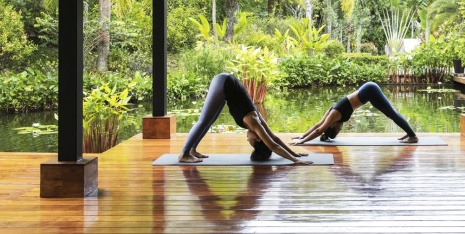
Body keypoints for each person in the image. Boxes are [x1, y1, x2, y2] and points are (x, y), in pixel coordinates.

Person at [179, 73, 312, 165]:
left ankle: (192, 150)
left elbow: (274, 138)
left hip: (226, 85)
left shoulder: (257, 120)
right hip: (224, 83)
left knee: (209, 121)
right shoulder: (254, 122)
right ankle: (184, 154)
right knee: (203, 121)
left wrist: (294, 153)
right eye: (251, 142)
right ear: (258, 138)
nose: (248, 139)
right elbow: (274, 145)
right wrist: (295, 160)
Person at [290, 81, 418, 145]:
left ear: (333, 126)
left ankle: (413, 136)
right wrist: (302, 136)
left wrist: (302, 141)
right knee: (390, 114)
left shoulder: (334, 115)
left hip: (370, 90)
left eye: (338, 130)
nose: (341, 129)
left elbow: (319, 130)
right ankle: (409, 133)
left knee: (392, 114)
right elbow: (317, 125)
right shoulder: (332, 112)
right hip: (367, 93)